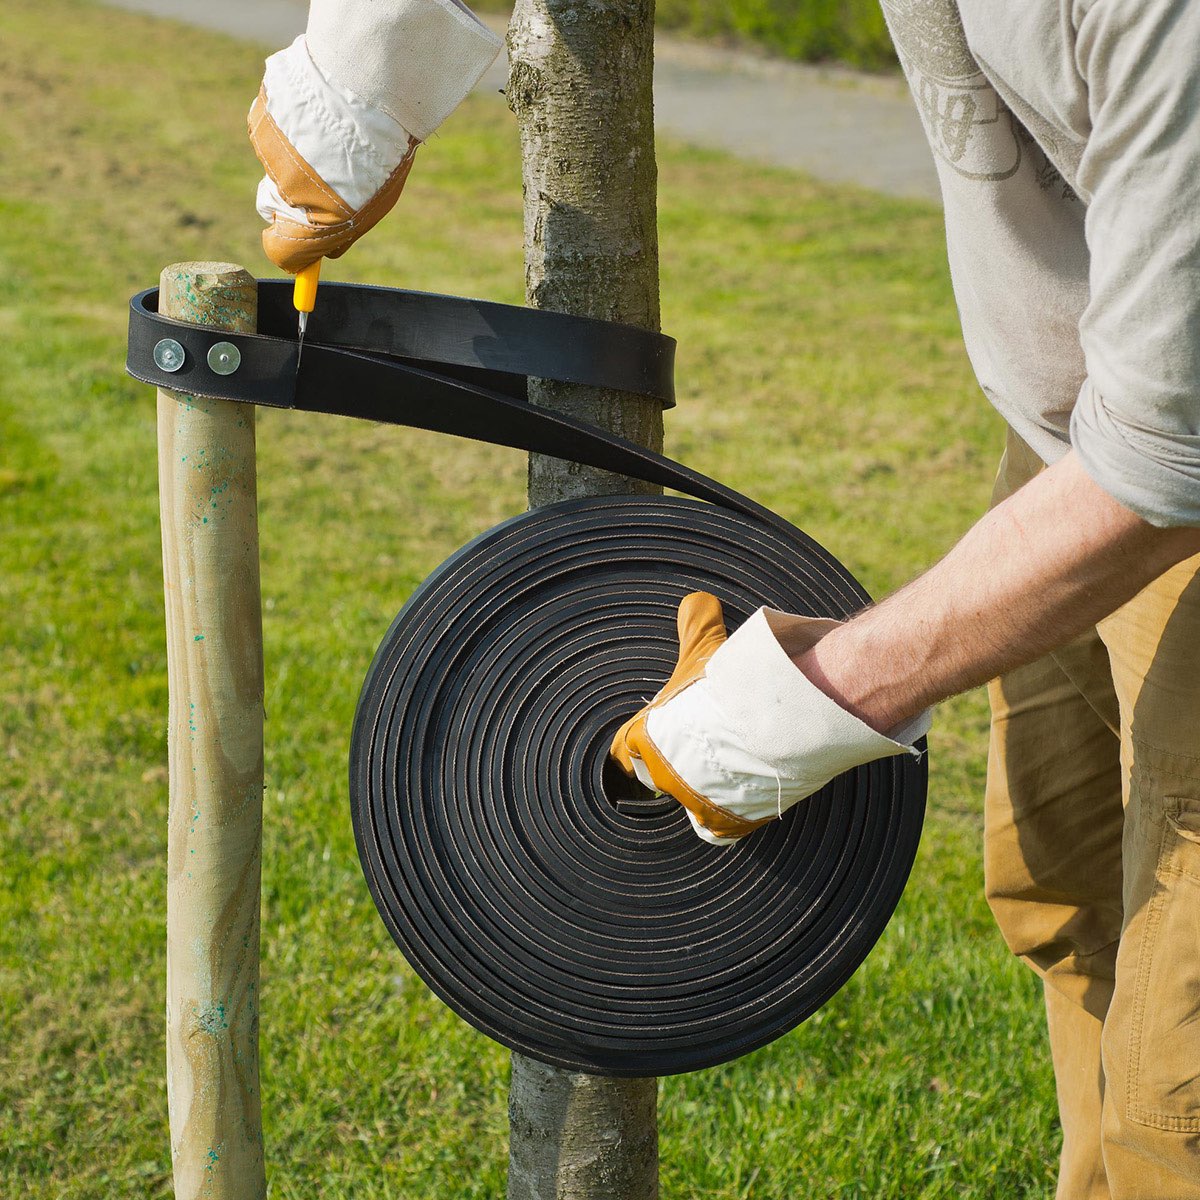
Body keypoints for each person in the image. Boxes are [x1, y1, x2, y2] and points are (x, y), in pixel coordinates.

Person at [250, 0, 1200, 1193]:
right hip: (1075, 437)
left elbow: (1167, 469)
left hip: (1159, 477)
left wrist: (804, 700)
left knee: (1184, 1077)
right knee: (1063, 899)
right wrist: (367, 61)